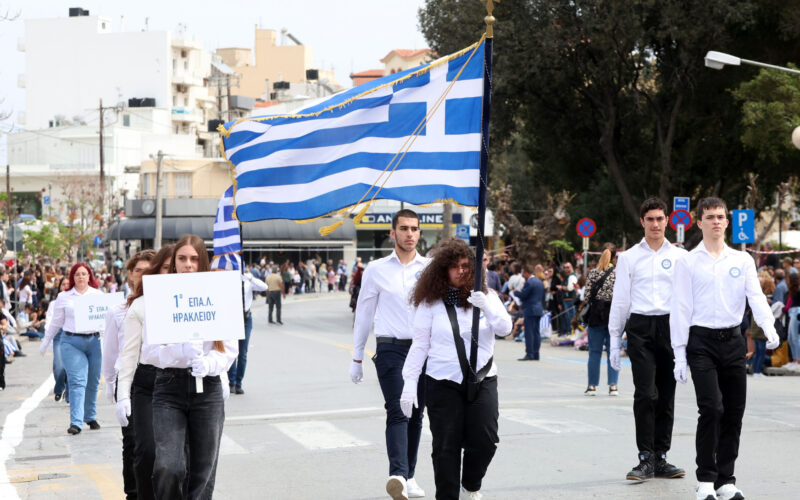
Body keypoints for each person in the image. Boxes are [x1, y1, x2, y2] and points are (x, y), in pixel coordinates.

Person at [671, 197, 780, 500]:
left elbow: (756, 297)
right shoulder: (687, 261)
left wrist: (768, 328)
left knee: (733, 412)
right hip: (701, 341)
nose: (716, 221)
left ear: (727, 222)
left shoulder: (742, 260)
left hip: (733, 340)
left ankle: (725, 480)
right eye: (710, 217)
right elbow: (680, 308)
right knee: (711, 407)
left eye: (721, 216)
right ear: (699, 222)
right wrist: (679, 354)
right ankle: (705, 478)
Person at [122, 235, 237, 499]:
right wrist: (179, 352)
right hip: (168, 387)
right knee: (168, 466)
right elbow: (150, 351)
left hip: (207, 390)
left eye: (194, 259)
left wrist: (208, 363)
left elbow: (229, 349)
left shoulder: (217, 293)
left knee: (203, 469)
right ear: (173, 262)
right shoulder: (159, 297)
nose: (188, 264)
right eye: (182, 258)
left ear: (202, 262)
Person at [401, 238, 511, 499]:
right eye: (453, 266)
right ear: (442, 270)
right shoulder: (430, 303)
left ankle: (471, 484)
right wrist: (408, 384)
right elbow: (419, 346)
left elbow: (505, 329)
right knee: (445, 447)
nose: (460, 271)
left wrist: (486, 306)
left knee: (486, 441)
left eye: (465, 265)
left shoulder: (488, 296)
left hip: (483, 379)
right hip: (442, 382)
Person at [350, 209, 430, 500]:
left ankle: (408, 476)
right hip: (390, 349)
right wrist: (357, 357)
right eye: (404, 228)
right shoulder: (376, 269)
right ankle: (397, 473)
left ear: (419, 233)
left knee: (418, 414)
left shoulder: (430, 268)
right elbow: (364, 313)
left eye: (415, 229)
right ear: (392, 233)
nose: (410, 234)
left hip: (423, 350)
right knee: (398, 409)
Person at [608, 197, 687, 481]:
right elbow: (620, 300)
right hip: (640, 327)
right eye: (650, 219)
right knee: (646, 394)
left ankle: (661, 457)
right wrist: (615, 339)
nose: (655, 224)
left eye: (660, 218)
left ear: (667, 221)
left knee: (666, 395)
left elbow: (688, 299)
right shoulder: (629, 257)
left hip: (670, 326)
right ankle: (644, 457)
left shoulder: (681, 256)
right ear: (642, 221)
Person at [115, 245, 175, 500]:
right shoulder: (139, 306)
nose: (170, 272)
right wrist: (121, 395)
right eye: (165, 267)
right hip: (147, 382)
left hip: (181, 381)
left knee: (175, 460)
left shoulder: (195, 300)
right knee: (147, 451)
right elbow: (128, 354)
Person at [102, 249, 155, 500]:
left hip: (159, 379)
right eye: (138, 271)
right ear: (130, 275)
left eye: (149, 270)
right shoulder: (118, 311)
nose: (143, 276)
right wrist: (110, 384)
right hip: (129, 382)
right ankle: (133, 493)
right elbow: (111, 351)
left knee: (156, 443)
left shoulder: (164, 307)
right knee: (133, 442)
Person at [40, 263, 104, 435]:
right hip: (71, 342)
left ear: (90, 276)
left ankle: (90, 416)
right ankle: (76, 422)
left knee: (93, 380)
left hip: (94, 341)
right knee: (77, 381)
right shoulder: (64, 297)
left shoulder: (98, 295)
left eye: (84, 274)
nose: (81, 277)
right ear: (72, 277)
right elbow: (56, 322)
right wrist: (46, 341)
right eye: (77, 274)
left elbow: (107, 319)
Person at [580, 244, 620, 395]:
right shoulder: (619, 273)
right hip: (613, 315)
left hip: (596, 315)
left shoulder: (593, 273)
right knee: (613, 351)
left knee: (594, 352)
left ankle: (592, 386)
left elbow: (587, 296)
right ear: (615, 256)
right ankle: (613, 386)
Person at [228, 269, 267, 394]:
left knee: (243, 353)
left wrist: (250, 278)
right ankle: (231, 382)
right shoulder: (229, 280)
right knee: (232, 351)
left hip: (246, 318)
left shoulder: (248, 281)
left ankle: (239, 383)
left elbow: (264, 287)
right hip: (233, 318)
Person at [513, 263, 545, 361]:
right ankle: (536, 353)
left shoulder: (530, 282)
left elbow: (524, 295)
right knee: (536, 332)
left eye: (523, 272)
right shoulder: (539, 282)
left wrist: (515, 292)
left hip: (530, 309)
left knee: (529, 332)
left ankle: (529, 353)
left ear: (526, 273)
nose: (522, 274)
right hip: (538, 309)